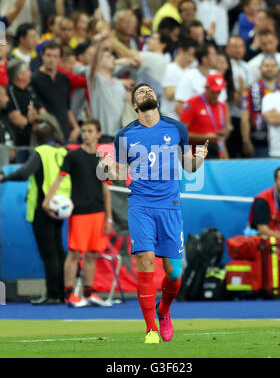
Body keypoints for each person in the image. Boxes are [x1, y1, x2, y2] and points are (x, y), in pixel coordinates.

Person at [98, 82, 208, 344]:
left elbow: (189, 168)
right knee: (146, 260)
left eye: (149, 90)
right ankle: (150, 330)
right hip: (141, 205)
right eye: (140, 92)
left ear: (156, 99)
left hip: (169, 206)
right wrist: (107, 168)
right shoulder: (124, 136)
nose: (147, 92)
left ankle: (164, 311)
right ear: (135, 105)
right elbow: (121, 173)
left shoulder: (176, 128)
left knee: (173, 273)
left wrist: (199, 157)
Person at [42, 119, 113, 307]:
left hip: (98, 213)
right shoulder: (72, 156)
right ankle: (70, 295)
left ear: (98, 134)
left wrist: (109, 218)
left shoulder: (102, 159)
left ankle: (89, 293)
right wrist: (47, 201)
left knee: (91, 254)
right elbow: (58, 180)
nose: (86, 134)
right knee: (74, 254)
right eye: (83, 131)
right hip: (79, 213)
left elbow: (106, 190)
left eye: (90, 131)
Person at [0, 122, 71, 304]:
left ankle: (53, 294)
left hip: (43, 207)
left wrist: (4, 178)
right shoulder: (63, 152)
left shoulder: (41, 152)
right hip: (60, 207)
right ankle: (63, 292)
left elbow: (24, 173)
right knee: (58, 250)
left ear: (37, 139)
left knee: (49, 254)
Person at [249, 166, 280, 288]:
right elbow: (262, 229)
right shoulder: (263, 200)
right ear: (275, 182)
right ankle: (275, 284)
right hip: (268, 244)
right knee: (266, 241)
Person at [31, 42, 80, 144]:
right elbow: (37, 107)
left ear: (59, 59)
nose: (51, 59)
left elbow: (67, 107)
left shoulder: (64, 79)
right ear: (42, 56)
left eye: (55, 56)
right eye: (48, 55)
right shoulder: (34, 79)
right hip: (46, 133)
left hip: (65, 132)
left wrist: (76, 127)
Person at [180, 73, 230, 159]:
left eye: (218, 92)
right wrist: (204, 137)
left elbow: (221, 134)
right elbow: (181, 133)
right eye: (213, 91)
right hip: (195, 153)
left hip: (216, 152)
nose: (216, 95)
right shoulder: (192, 103)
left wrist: (224, 152)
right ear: (206, 88)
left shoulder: (222, 106)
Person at [5, 59, 45, 163]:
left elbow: (44, 114)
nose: (30, 72)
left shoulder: (30, 89)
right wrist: (34, 120)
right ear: (20, 75)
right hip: (19, 144)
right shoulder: (10, 91)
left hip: (35, 141)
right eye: (28, 70)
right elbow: (18, 121)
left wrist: (35, 118)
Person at [241, 56, 279, 158]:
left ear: (277, 68)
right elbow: (245, 118)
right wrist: (246, 141)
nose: (269, 68)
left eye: (272, 65)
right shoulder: (251, 89)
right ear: (260, 68)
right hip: (259, 141)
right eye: (266, 65)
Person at [160, 38, 198, 119]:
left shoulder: (191, 70)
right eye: (190, 54)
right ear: (181, 51)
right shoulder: (170, 68)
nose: (191, 59)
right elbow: (169, 94)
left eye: (194, 56)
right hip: (171, 117)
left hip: (186, 118)